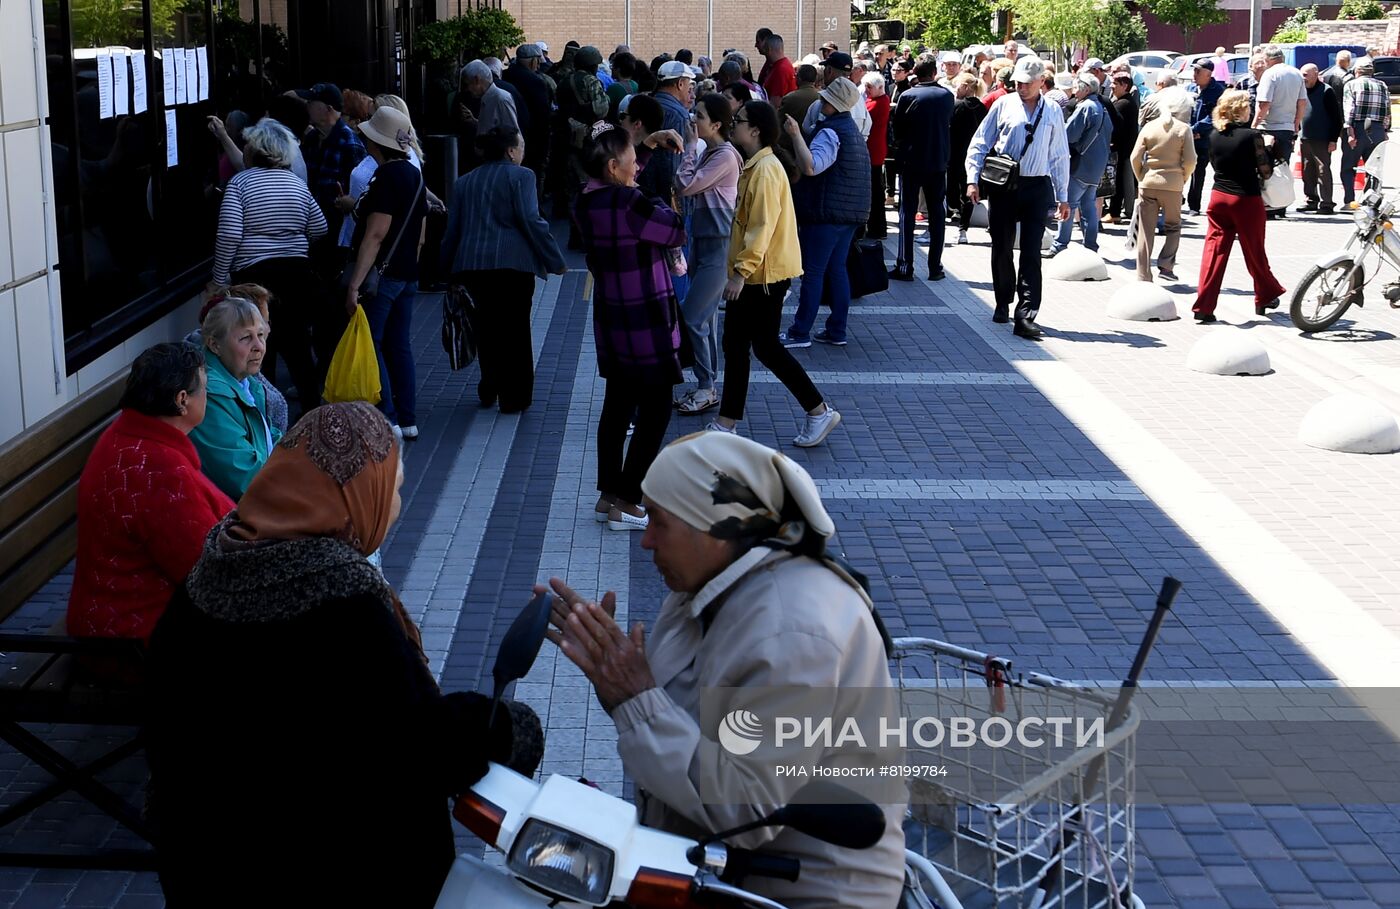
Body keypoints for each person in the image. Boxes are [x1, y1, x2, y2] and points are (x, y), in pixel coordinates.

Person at [146, 402, 539, 907]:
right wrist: (504, 727)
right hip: (331, 872)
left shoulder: (216, 564)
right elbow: (416, 744)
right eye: (394, 489)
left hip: (205, 865)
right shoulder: (344, 599)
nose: (396, 505)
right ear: (358, 496)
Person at [540, 432, 907, 909]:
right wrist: (612, 665)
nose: (646, 540)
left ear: (713, 526)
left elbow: (749, 804)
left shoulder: (791, 629)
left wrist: (635, 698)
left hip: (804, 893)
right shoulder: (709, 586)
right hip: (718, 866)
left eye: (658, 521)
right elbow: (682, 701)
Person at [68, 343, 234, 640]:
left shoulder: (130, 436)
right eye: (205, 389)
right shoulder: (157, 469)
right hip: (133, 636)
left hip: (114, 617)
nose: (207, 397)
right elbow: (207, 573)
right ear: (182, 400)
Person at [574, 126, 687, 531]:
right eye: (631, 160)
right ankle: (627, 498)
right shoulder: (629, 202)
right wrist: (661, 189)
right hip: (646, 320)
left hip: (613, 319)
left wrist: (647, 149)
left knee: (617, 405)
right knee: (656, 409)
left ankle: (608, 494)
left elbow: (628, 186)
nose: (637, 165)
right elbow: (674, 227)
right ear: (612, 166)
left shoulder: (587, 201)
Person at [711, 101, 840, 447]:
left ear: (754, 130)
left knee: (755, 346)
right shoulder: (759, 165)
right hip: (760, 272)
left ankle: (817, 410)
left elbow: (761, 228)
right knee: (743, 345)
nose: (732, 125)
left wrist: (740, 272)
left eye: (738, 121)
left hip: (763, 275)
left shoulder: (765, 169)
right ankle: (729, 422)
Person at [441, 128, 566, 414]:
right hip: (513, 265)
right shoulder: (522, 176)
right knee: (515, 330)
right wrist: (554, 260)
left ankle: (490, 384)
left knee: (485, 328)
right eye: (520, 146)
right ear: (511, 151)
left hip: (471, 265)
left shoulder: (465, 182)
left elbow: (453, 230)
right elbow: (531, 220)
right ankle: (515, 396)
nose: (523, 151)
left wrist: (445, 266)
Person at [212, 119, 328, 414]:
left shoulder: (240, 183)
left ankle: (264, 415)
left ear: (255, 151)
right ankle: (312, 412)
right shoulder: (297, 185)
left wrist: (220, 277)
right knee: (298, 347)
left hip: (255, 278)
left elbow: (228, 234)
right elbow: (320, 227)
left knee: (259, 347)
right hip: (296, 275)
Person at [966, 57, 1071, 341]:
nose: (1021, 87)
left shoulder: (1052, 110)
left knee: (1031, 250)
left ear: (1041, 82)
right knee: (1001, 245)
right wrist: (972, 179)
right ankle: (1002, 299)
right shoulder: (1003, 104)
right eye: (1017, 83)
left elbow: (1060, 154)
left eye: (1026, 83)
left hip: (1037, 185)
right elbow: (980, 141)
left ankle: (1026, 313)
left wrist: (1063, 195)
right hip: (1004, 184)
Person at [345, 106, 429, 439]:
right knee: (400, 345)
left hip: (383, 276)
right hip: (408, 272)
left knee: (373, 342)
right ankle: (408, 419)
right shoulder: (415, 174)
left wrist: (354, 284)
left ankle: (387, 417)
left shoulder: (386, 177)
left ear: (376, 143)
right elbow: (421, 233)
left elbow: (375, 234)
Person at [781, 78, 871, 348]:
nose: (820, 102)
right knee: (836, 270)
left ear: (831, 103)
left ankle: (800, 332)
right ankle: (836, 330)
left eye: (825, 99)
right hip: (849, 214)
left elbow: (811, 167)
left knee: (813, 273)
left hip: (826, 214)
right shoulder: (851, 130)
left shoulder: (830, 131)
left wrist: (796, 135)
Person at [674, 94, 743, 416]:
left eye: (698, 115)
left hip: (719, 245)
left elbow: (685, 185)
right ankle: (708, 385)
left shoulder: (724, 156)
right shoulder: (713, 152)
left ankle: (706, 386)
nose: (692, 120)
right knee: (706, 319)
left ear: (715, 124)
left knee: (692, 316)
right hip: (703, 242)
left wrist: (689, 146)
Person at [1192, 90, 1287, 323]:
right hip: (1245, 198)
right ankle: (1265, 294)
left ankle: (1204, 305)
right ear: (1238, 110)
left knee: (1214, 252)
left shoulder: (1214, 135)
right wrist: (1272, 151)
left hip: (1218, 197)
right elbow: (1265, 171)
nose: (1250, 110)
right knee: (1254, 251)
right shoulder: (1251, 136)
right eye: (1246, 106)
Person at [190, 296, 280, 499]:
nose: (259, 346)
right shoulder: (208, 394)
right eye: (246, 338)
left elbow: (268, 439)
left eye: (261, 335)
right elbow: (246, 479)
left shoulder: (245, 381)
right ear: (214, 345)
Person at [889, 54, 954, 281]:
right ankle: (935, 266)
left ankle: (905, 266)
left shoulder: (908, 96)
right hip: (938, 161)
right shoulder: (947, 96)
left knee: (907, 211)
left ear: (915, 72)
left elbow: (897, 130)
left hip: (912, 160)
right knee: (937, 213)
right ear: (935, 72)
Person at [1130, 98, 1196, 283]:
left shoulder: (1149, 127)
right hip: (1173, 184)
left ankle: (1143, 275)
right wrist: (1183, 177)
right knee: (1173, 226)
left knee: (1146, 230)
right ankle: (1166, 264)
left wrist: (1141, 177)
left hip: (1149, 182)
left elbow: (1135, 156)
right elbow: (1191, 160)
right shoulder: (1184, 129)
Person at [1045, 73, 1110, 258]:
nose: (1073, 90)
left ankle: (1059, 245)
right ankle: (1091, 246)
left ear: (1086, 89)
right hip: (1096, 166)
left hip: (1080, 164)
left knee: (1068, 204)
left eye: (1076, 86)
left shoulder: (1086, 107)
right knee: (1088, 205)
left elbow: (1069, 134)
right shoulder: (1101, 107)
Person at [1252, 45, 1306, 218]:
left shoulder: (1270, 74)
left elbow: (1264, 104)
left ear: (1268, 59)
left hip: (1269, 128)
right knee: (1283, 167)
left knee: (1264, 168)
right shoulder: (1296, 73)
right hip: (1287, 128)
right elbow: (1302, 102)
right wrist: (1296, 124)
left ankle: (1268, 205)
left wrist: (1254, 125)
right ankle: (1281, 206)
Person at [1341, 56, 1390, 207]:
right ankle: (1370, 202)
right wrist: (1385, 129)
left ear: (1357, 71)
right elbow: (1387, 110)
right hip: (1377, 129)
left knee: (1348, 166)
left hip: (1358, 127)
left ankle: (1350, 201)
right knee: (1374, 169)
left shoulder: (1352, 85)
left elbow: (1349, 109)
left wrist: (1350, 132)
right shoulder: (1382, 85)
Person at [505, 43, 554, 192]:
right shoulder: (536, 81)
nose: (539, 65)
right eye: (538, 61)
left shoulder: (505, 75)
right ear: (533, 61)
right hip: (532, 138)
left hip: (507, 133)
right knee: (531, 177)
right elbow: (542, 114)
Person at [948, 72, 988, 245]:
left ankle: (959, 222)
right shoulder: (982, 108)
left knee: (955, 190)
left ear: (965, 87)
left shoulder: (957, 107)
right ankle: (963, 228)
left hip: (956, 155)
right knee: (969, 191)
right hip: (976, 155)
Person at [1298, 63, 1343, 214]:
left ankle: (1327, 203)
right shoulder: (1301, 90)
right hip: (1305, 138)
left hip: (1322, 139)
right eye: (1302, 74)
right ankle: (1311, 200)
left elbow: (1336, 118)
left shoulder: (1326, 91)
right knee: (1307, 171)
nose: (1303, 78)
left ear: (1315, 74)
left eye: (1306, 75)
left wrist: (1333, 139)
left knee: (1323, 171)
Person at [1186, 61, 1225, 215]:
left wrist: (1195, 130)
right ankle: (1183, 200)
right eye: (1194, 71)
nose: (1194, 75)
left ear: (1208, 75)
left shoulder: (1217, 91)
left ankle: (1196, 205)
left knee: (1201, 171)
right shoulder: (1189, 88)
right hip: (1190, 136)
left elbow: (1213, 117)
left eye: (1197, 72)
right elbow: (1184, 109)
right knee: (1184, 168)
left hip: (1207, 139)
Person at [809, 52, 871, 139]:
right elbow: (866, 130)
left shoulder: (821, 103)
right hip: (854, 149)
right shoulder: (858, 98)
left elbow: (808, 131)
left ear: (829, 70)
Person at [1105, 73, 1140, 224]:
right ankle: (1115, 211)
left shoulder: (1123, 104)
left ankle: (1114, 212)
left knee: (1117, 181)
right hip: (1124, 149)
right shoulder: (1125, 102)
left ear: (1124, 86)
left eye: (1115, 83)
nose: (1111, 86)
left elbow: (1114, 125)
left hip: (1121, 149)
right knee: (1119, 181)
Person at [862, 72, 892, 239]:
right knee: (875, 191)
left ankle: (877, 228)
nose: (866, 90)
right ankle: (876, 227)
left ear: (880, 87)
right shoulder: (877, 100)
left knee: (875, 192)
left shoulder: (878, 103)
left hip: (873, 152)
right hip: (874, 150)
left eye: (869, 87)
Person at [761, 34, 797, 103]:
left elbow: (775, 102)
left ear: (769, 49)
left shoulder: (781, 69)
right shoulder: (780, 66)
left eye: (764, 49)